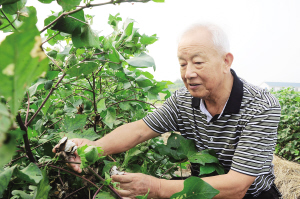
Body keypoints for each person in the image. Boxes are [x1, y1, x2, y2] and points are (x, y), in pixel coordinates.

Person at [53, 24, 282, 199]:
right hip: (197, 190)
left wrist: (157, 187)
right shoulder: (183, 100)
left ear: (225, 61)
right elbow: (140, 130)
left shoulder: (261, 106)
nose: (188, 73)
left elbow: (237, 186)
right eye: (182, 64)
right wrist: (93, 148)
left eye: (198, 63)